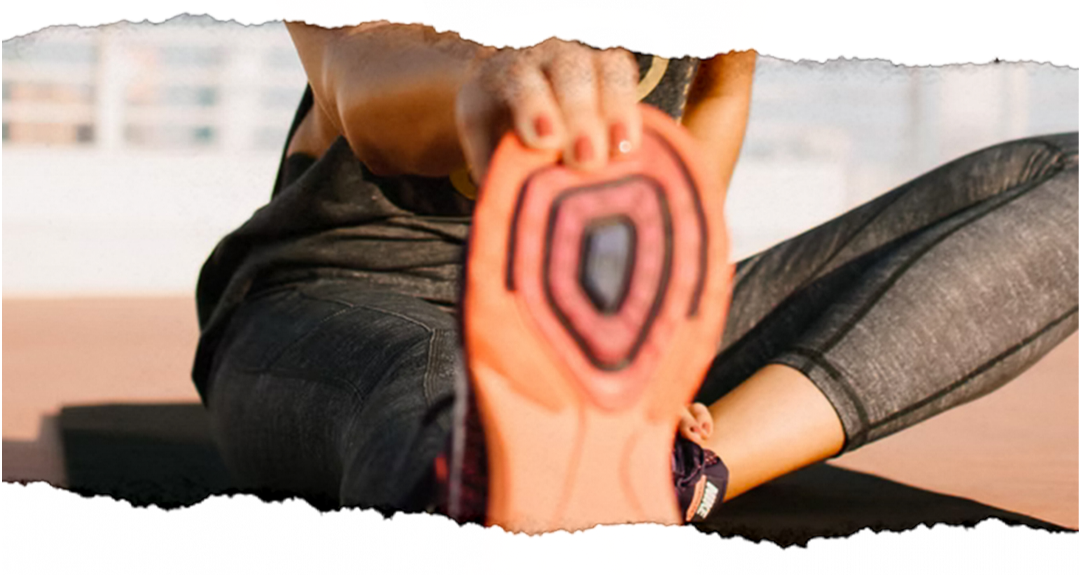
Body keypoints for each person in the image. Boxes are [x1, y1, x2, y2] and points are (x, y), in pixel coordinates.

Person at [191, 13, 1079, 534]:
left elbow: (721, 91)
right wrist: (483, 80)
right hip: (343, 292)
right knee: (457, 402)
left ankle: (688, 466)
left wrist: (662, 328)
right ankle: (507, 496)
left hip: (602, 302)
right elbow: (351, 77)